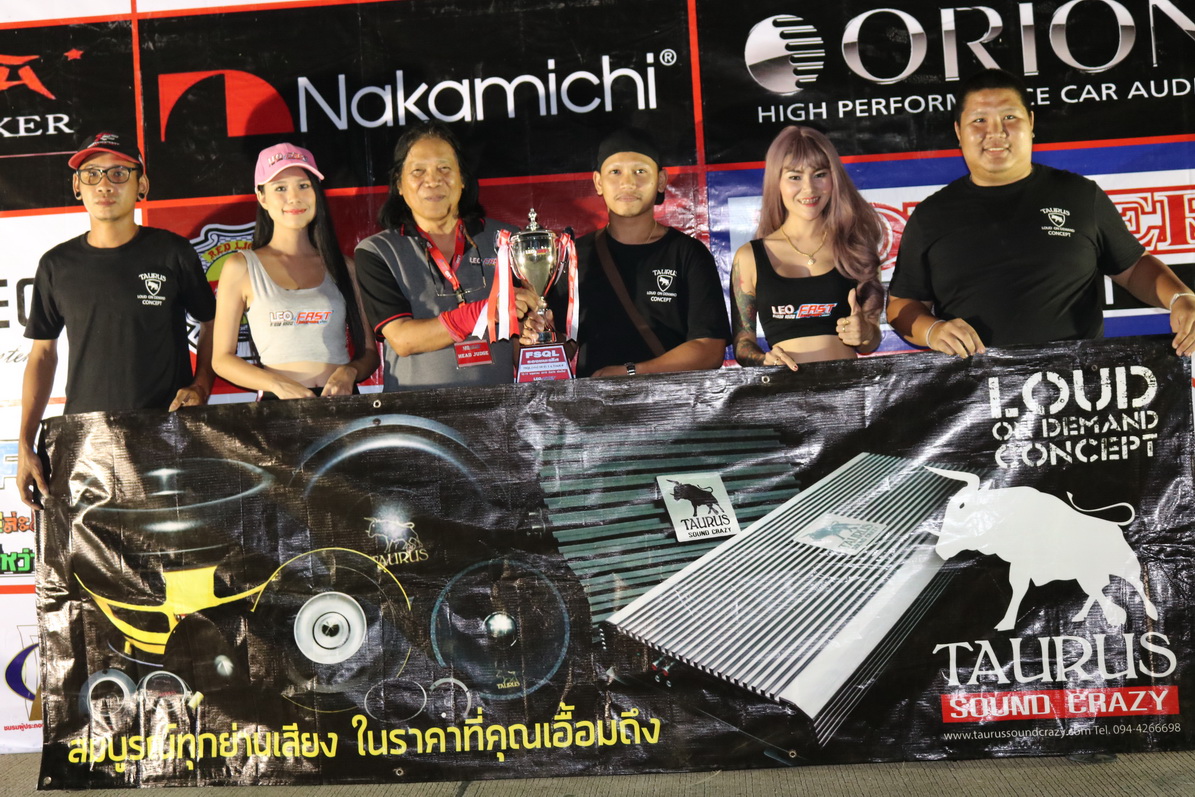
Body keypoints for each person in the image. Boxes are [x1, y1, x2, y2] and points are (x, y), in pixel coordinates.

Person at [888, 68, 1195, 358]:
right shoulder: (930, 216)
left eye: (1009, 117)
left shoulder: (1079, 195)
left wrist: (1180, 298)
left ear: (1031, 122)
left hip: (1078, 385)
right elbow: (902, 303)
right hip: (977, 390)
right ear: (958, 131)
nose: (995, 132)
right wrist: (932, 330)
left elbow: (1133, 267)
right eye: (979, 120)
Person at [18, 131, 216, 508]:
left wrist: (202, 384)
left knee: (171, 542)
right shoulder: (56, 265)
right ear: (77, 186)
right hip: (86, 440)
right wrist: (25, 444)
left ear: (142, 185)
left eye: (119, 173)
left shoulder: (172, 252)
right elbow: (42, 354)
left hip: (168, 434)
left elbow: (211, 323)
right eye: (92, 174)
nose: (105, 185)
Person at [354, 122, 537, 391]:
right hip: (416, 412)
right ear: (399, 184)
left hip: (498, 409)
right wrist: (485, 310)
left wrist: (538, 334)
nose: (433, 180)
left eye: (444, 168)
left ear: (462, 179)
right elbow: (403, 340)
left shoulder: (507, 240)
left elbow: (522, 350)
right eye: (418, 171)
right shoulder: (377, 251)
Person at [547, 128, 729, 377]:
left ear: (661, 180)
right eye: (615, 172)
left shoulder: (688, 253)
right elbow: (563, 347)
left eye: (640, 171)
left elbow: (710, 349)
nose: (628, 183)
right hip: (593, 401)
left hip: (672, 399)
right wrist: (539, 334)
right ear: (598, 182)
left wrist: (631, 372)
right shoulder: (574, 257)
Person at [211, 143, 378, 398]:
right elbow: (222, 360)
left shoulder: (345, 267)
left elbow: (370, 354)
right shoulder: (241, 267)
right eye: (280, 188)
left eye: (303, 185)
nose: (294, 197)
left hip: (342, 406)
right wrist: (277, 385)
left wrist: (350, 372)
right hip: (278, 408)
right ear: (262, 197)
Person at [730, 126, 883, 369]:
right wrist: (764, 359)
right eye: (795, 177)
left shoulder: (854, 247)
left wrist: (864, 333)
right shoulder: (749, 257)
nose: (809, 188)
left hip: (849, 387)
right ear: (776, 182)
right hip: (784, 390)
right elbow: (742, 345)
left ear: (834, 179)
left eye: (819, 174)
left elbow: (870, 342)